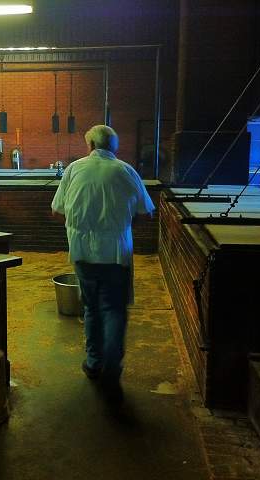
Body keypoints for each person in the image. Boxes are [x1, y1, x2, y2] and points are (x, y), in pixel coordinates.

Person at [51, 124, 155, 399]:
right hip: (115, 254)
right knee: (114, 310)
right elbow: (147, 212)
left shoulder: (74, 170)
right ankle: (111, 366)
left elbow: (57, 211)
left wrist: (80, 227)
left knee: (91, 308)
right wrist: (123, 225)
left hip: (82, 253)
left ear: (90, 146)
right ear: (114, 147)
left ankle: (94, 363)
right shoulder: (125, 171)